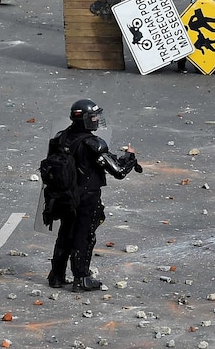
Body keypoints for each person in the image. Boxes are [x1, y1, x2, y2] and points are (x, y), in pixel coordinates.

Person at [43, 99, 140, 291]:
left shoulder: (61, 137)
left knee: (65, 234)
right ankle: (82, 278)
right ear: (85, 119)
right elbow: (118, 171)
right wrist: (129, 157)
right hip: (87, 198)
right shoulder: (93, 144)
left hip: (65, 195)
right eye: (93, 116)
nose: (96, 120)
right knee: (84, 237)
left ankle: (56, 276)